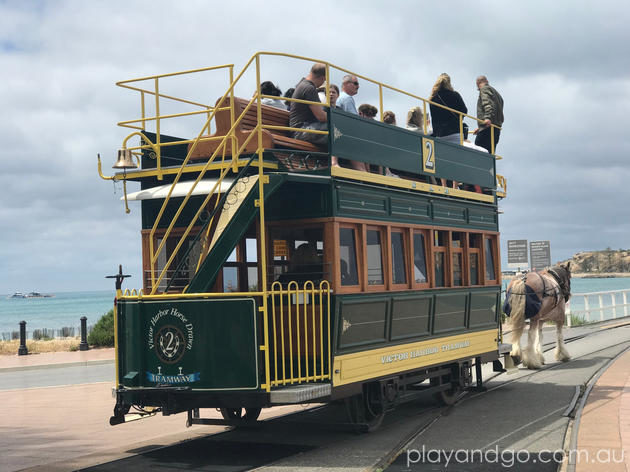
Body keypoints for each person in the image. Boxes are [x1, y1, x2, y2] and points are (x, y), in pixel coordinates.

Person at [289, 63, 328, 146]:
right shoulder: (309, 88)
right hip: (301, 131)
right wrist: (337, 119)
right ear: (322, 78)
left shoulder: (302, 84)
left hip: (301, 129)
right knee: (337, 130)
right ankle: (335, 159)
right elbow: (321, 116)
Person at [429, 73, 467, 144]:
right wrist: (458, 119)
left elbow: (433, 117)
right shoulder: (455, 95)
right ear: (449, 83)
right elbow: (464, 111)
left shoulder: (433, 99)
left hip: (439, 134)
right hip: (454, 132)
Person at [474, 75, 504, 153]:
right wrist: (480, 126)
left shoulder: (484, 89)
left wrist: (487, 118)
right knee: (489, 153)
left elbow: (487, 104)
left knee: (477, 150)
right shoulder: (497, 94)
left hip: (488, 128)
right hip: (496, 128)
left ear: (478, 83)